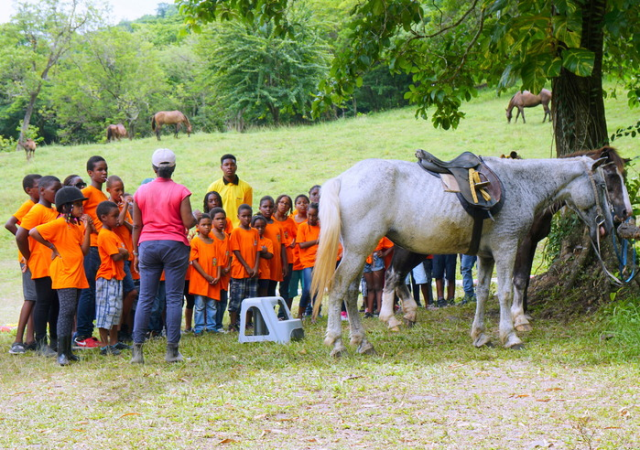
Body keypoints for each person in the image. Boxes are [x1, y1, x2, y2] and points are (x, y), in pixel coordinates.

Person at [131, 148, 196, 364]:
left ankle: (137, 352)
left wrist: (135, 252)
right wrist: (196, 216)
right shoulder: (181, 191)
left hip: (148, 245)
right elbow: (187, 223)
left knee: (145, 298)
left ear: (154, 169)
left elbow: (137, 225)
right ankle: (171, 351)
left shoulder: (141, 192)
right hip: (174, 245)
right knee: (174, 297)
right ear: (174, 168)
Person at [30, 186, 93, 365]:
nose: (82, 208)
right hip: (64, 273)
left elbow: (84, 250)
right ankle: (61, 353)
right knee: (66, 312)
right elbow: (33, 232)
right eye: (78, 205)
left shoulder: (77, 225)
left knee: (70, 311)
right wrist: (52, 247)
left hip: (77, 273)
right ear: (66, 207)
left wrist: (87, 228)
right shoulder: (59, 223)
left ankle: (68, 351)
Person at [16, 176, 62, 357]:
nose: (57, 194)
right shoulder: (37, 210)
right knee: (43, 303)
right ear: (42, 191)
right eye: (54, 190)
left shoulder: (52, 211)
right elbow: (20, 235)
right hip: (42, 266)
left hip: (55, 266)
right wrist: (29, 256)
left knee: (55, 304)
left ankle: (55, 341)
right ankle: (41, 342)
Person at [75, 155, 109, 349]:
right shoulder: (87, 191)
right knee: (87, 291)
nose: (104, 173)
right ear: (90, 173)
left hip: (101, 247)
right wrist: (89, 227)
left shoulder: (103, 195)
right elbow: (75, 212)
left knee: (94, 291)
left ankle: (88, 332)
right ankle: (82, 335)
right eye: (99, 170)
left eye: (105, 169)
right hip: (92, 248)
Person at [5, 174, 41, 354]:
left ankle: (30, 339)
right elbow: (10, 224)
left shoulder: (40, 207)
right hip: (28, 259)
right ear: (29, 190)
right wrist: (25, 244)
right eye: (38, 186)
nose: (42, 189)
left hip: (37, 258)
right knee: (30, 298)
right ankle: (18, 340)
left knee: (35, 298)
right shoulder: (29, 206)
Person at [106, 175, 138, 343]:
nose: (120, 193)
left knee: (130, 293)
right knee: (126, 293)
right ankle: (118, 330)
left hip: (129, 255)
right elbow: (117, 222)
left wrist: (124, 211)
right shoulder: (111, 207)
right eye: (117, 190)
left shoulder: (121, 206)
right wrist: (125, 206)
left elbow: (132, 227)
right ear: (109, 190)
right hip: (117, 256)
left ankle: (124, 326)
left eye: (122, 190)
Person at [95, 201, 129, 356]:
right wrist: (123, 251)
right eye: (114, 216)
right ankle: (104, 344)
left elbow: (126, 253)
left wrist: (123, 251)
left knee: (115, 311)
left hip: (116, 277)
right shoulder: (105, 235)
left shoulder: (113, 233)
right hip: (107, 277)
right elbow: (116, 255)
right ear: (103, 217)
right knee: (105, 311)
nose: (117, 219)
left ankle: (114, 342)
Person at [228, 204, 260, 332]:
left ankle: (247, 322)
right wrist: (247, 266)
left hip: (252, 272)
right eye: (244, 216)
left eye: (249, 216)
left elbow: (258, 251)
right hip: (239, 272)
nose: (247, 219)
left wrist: (255, 267)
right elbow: (236, 251)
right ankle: (233, 323)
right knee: (236, 298)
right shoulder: (236, 232)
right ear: (238, 217)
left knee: (251, 298)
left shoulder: (255, 232)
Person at [189, 214, 220, 335]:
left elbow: (219, 261)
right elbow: (194, 261)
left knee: (212, 305)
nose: (207, 227)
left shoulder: (214, 241)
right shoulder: (195, 241)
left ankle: (211, 327)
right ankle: (199, 327)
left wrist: (217, 276)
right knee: (200, 305)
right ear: (197, 226)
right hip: (200, 279)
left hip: (213, 278)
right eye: (204, 225)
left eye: (208, 224)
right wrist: (206, 276)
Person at [206, 154, 252, 228]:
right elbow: (208, 210)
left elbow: (248, 210)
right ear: (221, 167)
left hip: (238, 229)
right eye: (226, 165)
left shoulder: (246, 187)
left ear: (236, 167)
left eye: (232, 164)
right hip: (220, 229)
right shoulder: (213, 187)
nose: (229, 167)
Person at [258, 196, 287, 296]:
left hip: (275, 264)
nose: (268, 209)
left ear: (274, 208)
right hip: (262, 264)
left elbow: (282, 246)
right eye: (265, 206)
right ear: (259, 208)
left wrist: (285, 264)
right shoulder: (256, 225)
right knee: (261, 291)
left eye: (270, 207)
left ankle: (270, 311)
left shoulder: (278, 225)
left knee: (271, 290)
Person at [210, 207, 232, 332]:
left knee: (223, 301)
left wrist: (228, 267)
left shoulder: (226, 236)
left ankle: (218, 324)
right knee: (212, 302)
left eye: (223, 218)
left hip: (225, 276)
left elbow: (230, 255)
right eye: (218, 219)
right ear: (212, 220)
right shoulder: (210, 236)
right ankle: (210, 325)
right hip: (214, 275)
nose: (221, 221)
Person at [274, 194, 296, 314]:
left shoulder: (290, 221)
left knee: (285, 287)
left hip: (287, 258)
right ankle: (269, 313)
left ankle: (283, 313)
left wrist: (293, 242)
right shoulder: (270, 220)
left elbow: (296, 237)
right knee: (270, 287)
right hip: (273, 258)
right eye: (281, 202)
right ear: (277, 203)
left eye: (286, 203)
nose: (283, 205)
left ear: (289, 208)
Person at [297, 202, 320, 319]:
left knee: (317, 289)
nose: (311, 218)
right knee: (307, 288)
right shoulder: (302, 227)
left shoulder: (321, 227)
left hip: (319, 262)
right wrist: (317, 241)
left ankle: (315, 314)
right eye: (309, 215)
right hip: (307, 262)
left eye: (314, 215)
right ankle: (300, 313)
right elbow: (301, 244)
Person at [363, 237, 394, 318]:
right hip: (365, 258)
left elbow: (392, 244)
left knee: (378, 287)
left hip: (376, 257)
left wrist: (385, 253)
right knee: (369, 287)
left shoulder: (380, 234)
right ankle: (369, 311)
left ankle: (379, 310)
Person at [252, 214, 273, 297]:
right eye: (257, 227)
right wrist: (262, 250)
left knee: (263, 295)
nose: (260, 229)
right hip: (252, 272)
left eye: (262, 226)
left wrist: (257, 250)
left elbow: (270, 255)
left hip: (265, 273)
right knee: (253, 295)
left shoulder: (268, 241)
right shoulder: (250, 239)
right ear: (252, 226)